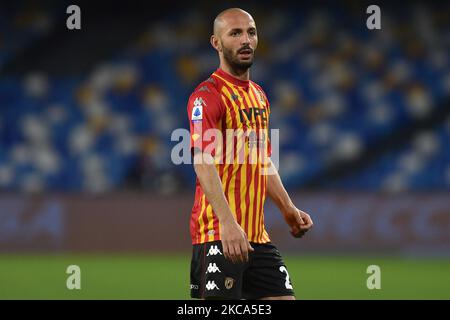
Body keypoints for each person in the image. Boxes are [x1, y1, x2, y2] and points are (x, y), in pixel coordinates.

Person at [187, 7, 313, 300]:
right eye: (235, 33)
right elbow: (202, 162)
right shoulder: (207, 96)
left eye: (251, 32)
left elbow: (261, 160)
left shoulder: (258, 95)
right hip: (219, 235)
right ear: (216, 43)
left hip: (256, 236)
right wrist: (228, 225)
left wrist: (287, 208)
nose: (245, 40)